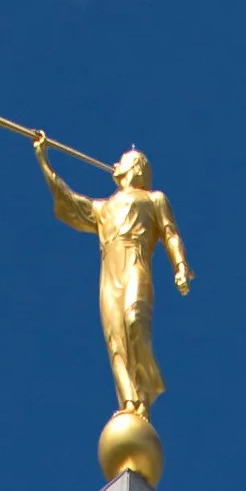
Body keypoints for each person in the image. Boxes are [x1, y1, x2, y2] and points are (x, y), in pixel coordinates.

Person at [44, 143, 192, 427]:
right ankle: (130, 403)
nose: (117, 163)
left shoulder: (154, 199)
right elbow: (70, 202)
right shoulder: (104, 208)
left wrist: (181, 266)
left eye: (123, 160)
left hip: (136, 260)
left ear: (135, 167)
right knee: (115, 340)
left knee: (134, 318)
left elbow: (171, 234)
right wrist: (45, 162)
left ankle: (146, 390)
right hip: (109, 270)